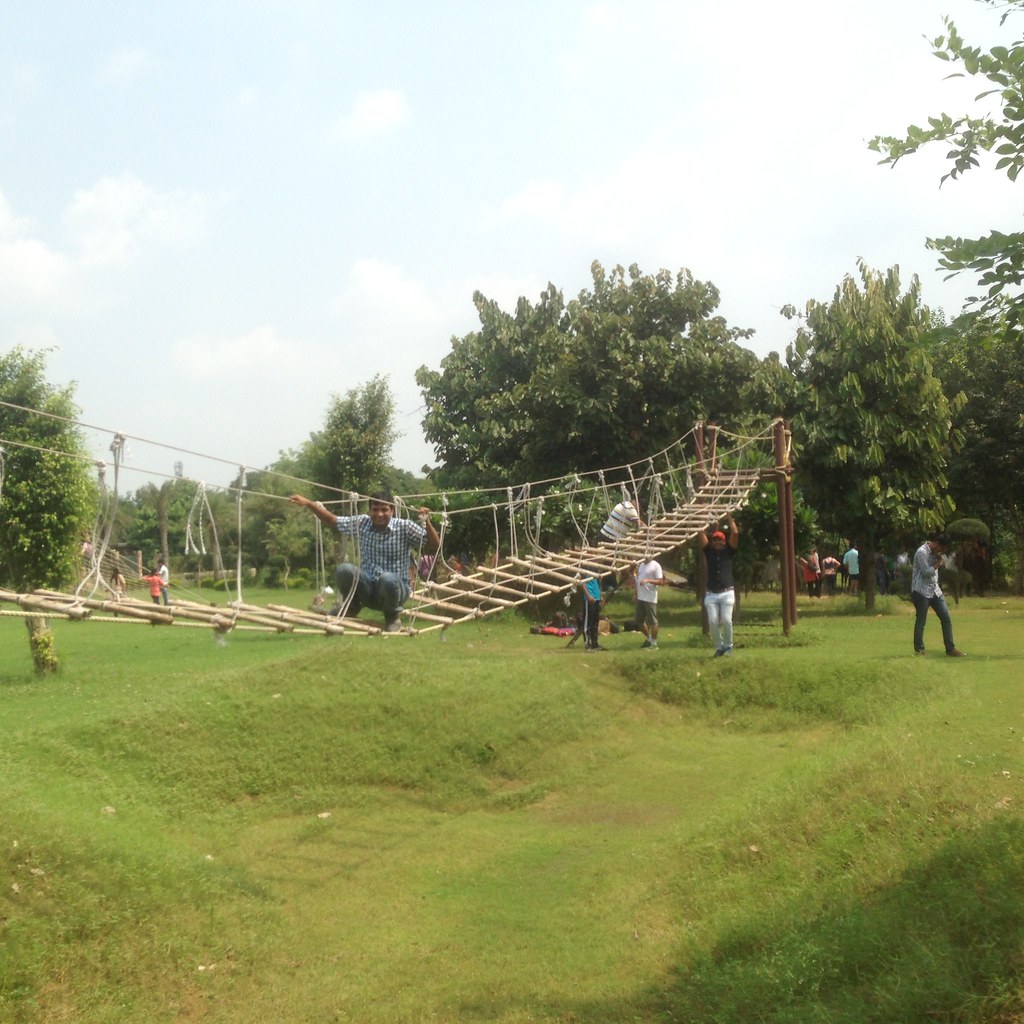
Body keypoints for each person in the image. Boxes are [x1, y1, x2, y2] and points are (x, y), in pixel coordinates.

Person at [290, 492, 440, 633]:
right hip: (369, 591)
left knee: (387, 578)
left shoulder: (405, 527)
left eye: (384, 510)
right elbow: (332, 520)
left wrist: (427, 522)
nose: (379, 514)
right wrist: (308, 503)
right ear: (369, 510)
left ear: (392, 511)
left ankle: (392, 616)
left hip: (395, 591)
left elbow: (435, 544)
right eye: (375, 509)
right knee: (344, 570)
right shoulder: (362, 523)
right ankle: (352, 606)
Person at [911, 533, 965, 657]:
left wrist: (939, 560)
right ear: (936, 543)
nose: (942, 551)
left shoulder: (937, 553)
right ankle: (919, 650)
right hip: (921, 591)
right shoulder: (922, 552)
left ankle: (950, 649)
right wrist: (938, 563)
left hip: (935, 591)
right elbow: (926, 572)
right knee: (921, 621)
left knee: (946, 618)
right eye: (942, 548)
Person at [699, 512, 739, 657]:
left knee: (727, 620)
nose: (716, 542)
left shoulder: (729, 551)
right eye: (714, 540)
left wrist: (729, 517)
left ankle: (728, 646)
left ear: (724, 541)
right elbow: (700, 533)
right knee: (713, 621)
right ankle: (719, 647)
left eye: (719, 540)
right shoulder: (708, 551)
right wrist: (703, 518)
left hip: (727, 592)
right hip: (711, 593)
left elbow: (735, 533)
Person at [632, 555, 666, 649]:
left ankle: (654, 644)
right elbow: (638, 580)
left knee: (652, 621)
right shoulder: (641, 565)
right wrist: (636, 593)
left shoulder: (656, 565)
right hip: (641, 597)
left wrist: (648, 580)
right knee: (639, 620)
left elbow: (661, 582)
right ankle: (649, 638)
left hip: (650, 598)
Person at [580, 573, 604, 651]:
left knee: (595, 622)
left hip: (596, 597)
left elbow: (599, 582)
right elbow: (582, 582)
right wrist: (588, 595)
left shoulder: (595, 569)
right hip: (589, 598)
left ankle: (595, 643)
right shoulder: (584, 569)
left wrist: (600, 595)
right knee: (588, 622)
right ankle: (588, 643)